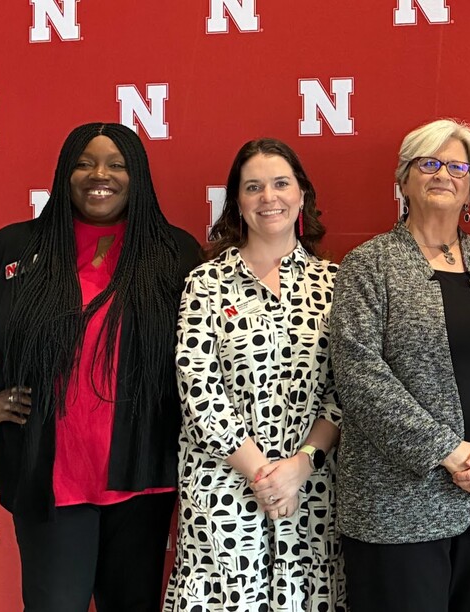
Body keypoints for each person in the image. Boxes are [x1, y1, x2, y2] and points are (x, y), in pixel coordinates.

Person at [0, 122, 200, 611]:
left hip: (142, 477)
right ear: (64, 174)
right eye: (85, 162)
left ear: (138, 176)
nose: (100, 174)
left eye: (117, 164)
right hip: (50, 477)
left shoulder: (175, 253)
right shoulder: (13, 249)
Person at [330, 118, 470, 612]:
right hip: (395, 506)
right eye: (428, 163)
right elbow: (359, 374)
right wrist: (448, 451)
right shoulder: (370, 264)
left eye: (456, 166)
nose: (442, 174)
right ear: (404, 179)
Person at [164, 138, 345, 611]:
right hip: (224, 483)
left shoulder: (335, 283)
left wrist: (299, 467)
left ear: (302, 195)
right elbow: (199, 388)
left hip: (310, 487)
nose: (270, 197)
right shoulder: (205, 283)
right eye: (254, 187)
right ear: (238, 202)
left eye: (281, 183)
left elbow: (342, 393)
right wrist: (263, 475)